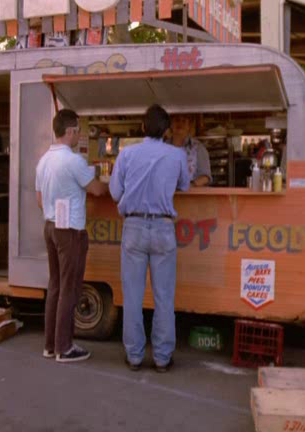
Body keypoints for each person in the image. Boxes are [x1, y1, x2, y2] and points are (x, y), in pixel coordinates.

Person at [109, 105, 190, 373]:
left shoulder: (127, 154)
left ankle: (134, 356)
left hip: (133, 226)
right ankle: (162, 358)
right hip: (164, 228)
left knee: (132, 296)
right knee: (164, 296)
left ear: (143, 127)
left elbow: (114, 192)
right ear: (167, 131)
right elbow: (185, 185)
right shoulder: (177, 155)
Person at [35, 109, 108, 363]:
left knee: (55, 287)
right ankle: (64, 348)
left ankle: (50, 344)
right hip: (70, 231)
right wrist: (110, 182)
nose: (79, 135)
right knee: (70, 288)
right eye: (78, 131)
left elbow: (39, 200)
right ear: (69, 131)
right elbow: (97, 190)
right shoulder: (74, 161)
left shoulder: (43, 160)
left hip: (50, 227)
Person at [170, 114, 211, 186]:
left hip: (191, 192)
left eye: (184, 121)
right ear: (171, 124)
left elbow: (205, 177)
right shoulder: (162, 146)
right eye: (177, 120)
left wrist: (191, 185)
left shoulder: (198, 148)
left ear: (189, 126)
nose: (180, 123)